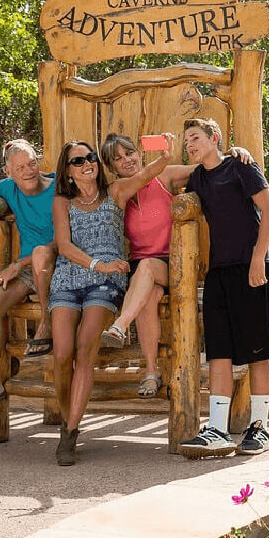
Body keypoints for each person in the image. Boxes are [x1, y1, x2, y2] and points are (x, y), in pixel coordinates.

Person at [99, 132, 254, 398]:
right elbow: (140, 179)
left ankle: (120, 326)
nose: (126, 161)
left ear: (139, 153)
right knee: (148, 297)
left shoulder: (166, 175)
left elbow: (206, 164)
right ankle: (151, 372)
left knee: (147, 268)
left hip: (174, 264)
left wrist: (233, 152)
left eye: (129, 153)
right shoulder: (117, 191)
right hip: (140, 269)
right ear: (111, 167)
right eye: (118, 159)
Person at [177, 118, 269, 459]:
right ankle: (217, 429)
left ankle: (260, 427)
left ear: (214, 138)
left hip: (252, 267)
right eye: (185, 140)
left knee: (257, 351)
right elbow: (165, 177)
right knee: (218, 351)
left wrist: (256, 259)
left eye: (195, 137)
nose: (189, 144)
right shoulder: (197, 178)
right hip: (218, 272)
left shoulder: (241, 167)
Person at [47, 140, 131, 466]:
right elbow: (64, 247)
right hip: (69, 278)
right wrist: (98, 263)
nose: (87, 164)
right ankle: (70, 421)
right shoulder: (61, 203)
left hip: (106, 283)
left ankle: (69, 433)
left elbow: (156, 173)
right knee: (61, 352)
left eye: (91, 157)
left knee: (84, 348)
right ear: (67, 172)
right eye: (78, 160)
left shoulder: (114, 194)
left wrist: (166, 156)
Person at [0, 139, 57, 415]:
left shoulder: (59, 188)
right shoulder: (6, 189)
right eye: (20, 168)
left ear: (39, 162)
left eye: (32, 163)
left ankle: (47, 323)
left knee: (43, 253)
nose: (28, 171)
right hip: (32, 270)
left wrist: (17, 264)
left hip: (64, 264)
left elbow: (64, 242)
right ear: (9, 173)